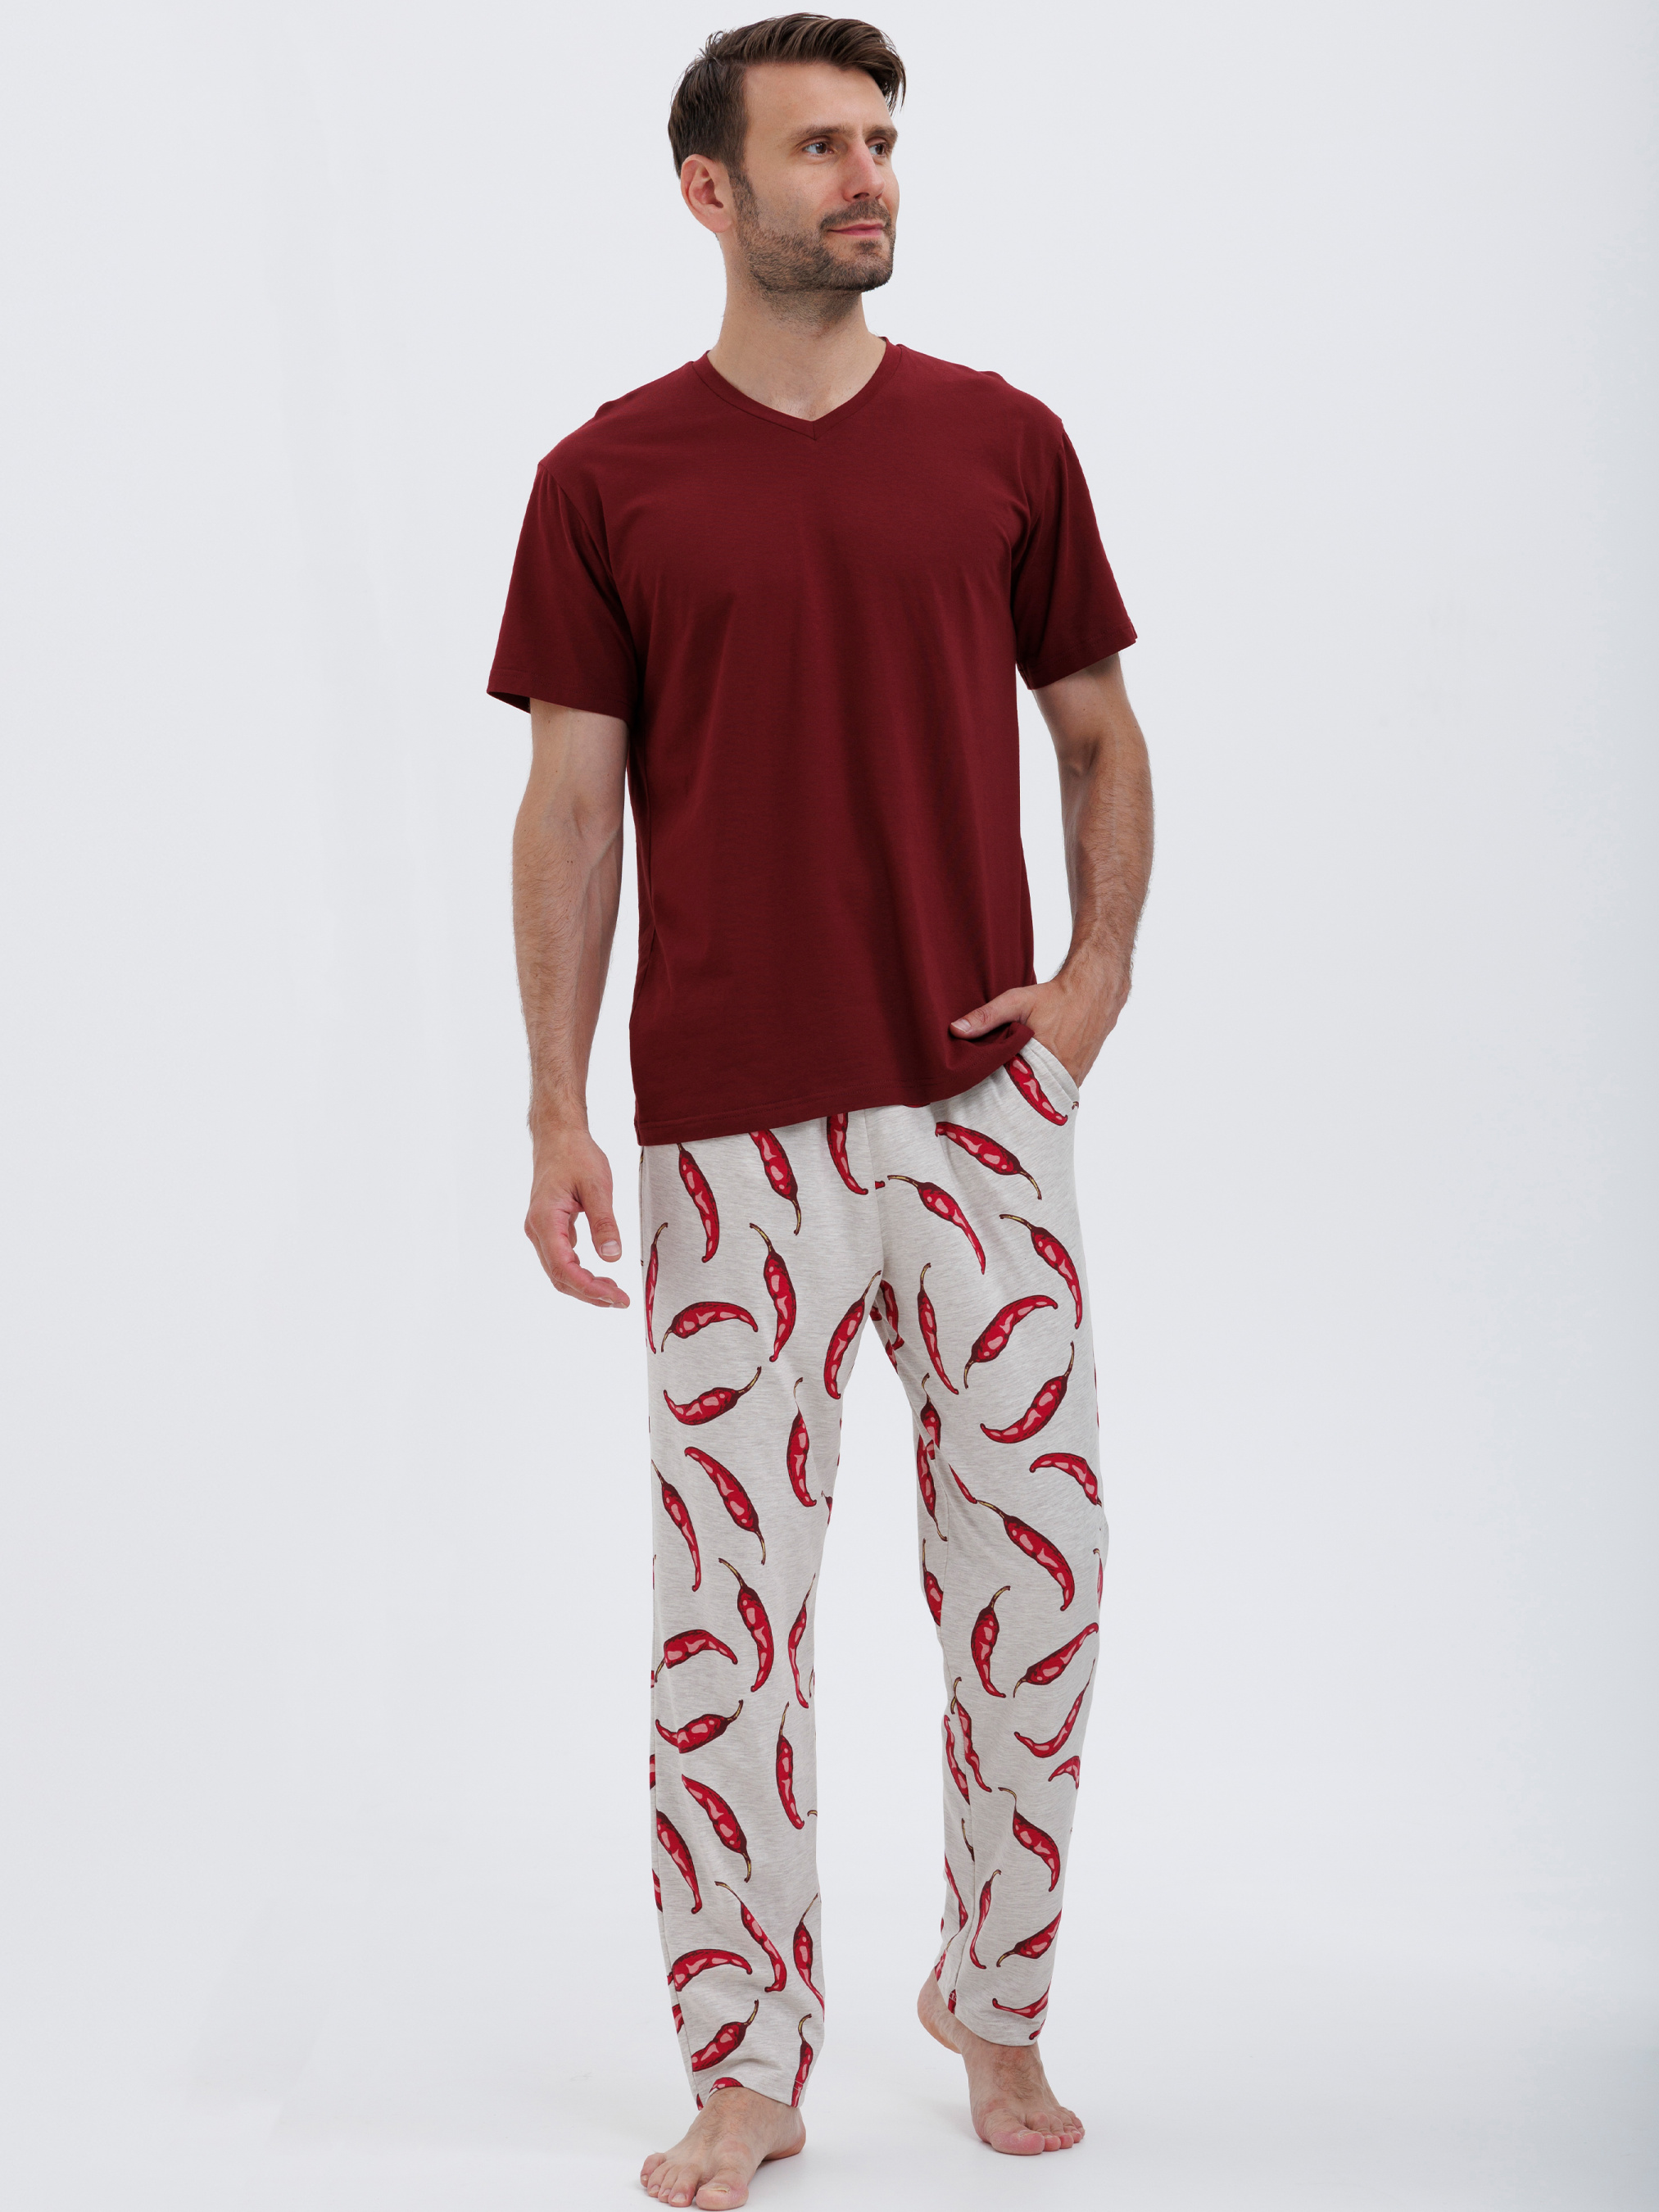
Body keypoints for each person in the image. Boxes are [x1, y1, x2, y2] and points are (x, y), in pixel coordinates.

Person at [487, 15, 1153, 2206]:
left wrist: (1088, 988)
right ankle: (745, 2057)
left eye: (879, 141)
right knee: (728, 1625)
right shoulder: (607, 478)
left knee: (1037, 1581)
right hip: (729, 1138)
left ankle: (996, 1997)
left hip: (977, 1113)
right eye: (817, 148)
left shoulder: (1002, 441)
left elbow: (1097, 734)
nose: (866, 176)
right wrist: (555, 1106)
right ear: (709, 190)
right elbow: (569, 808)